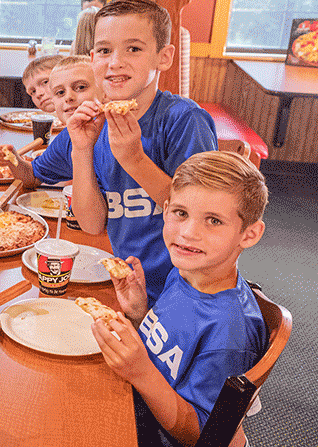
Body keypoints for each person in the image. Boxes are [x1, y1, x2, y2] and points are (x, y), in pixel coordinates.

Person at [91, 151, 268, 447]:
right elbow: (166, 349)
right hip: (133, 402)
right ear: (166, 209)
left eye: (213, 221)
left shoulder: (229, 333)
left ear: (248, 234)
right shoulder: (186, 271)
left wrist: (141, 372)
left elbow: (202, 435)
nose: (187, 233)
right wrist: (138, 313)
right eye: (181, 213)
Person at [67, 0, 217, 305]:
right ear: (92, 57)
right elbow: (92, 225)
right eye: (105, 51)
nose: (116, 62)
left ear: (164, 57)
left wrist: (133, 159)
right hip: (129, 290)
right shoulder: (98, 124)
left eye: (133, 49)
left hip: (185, 295)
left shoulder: (184, 119)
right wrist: (81, 151)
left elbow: (201, 217)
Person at [0, 55, 102, 188]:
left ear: (104, 89)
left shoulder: (119, 133)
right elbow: (32, 177)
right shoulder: (67, 138)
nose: (68, 97)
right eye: (60, 92)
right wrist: (12, 159)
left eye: (80, 87)